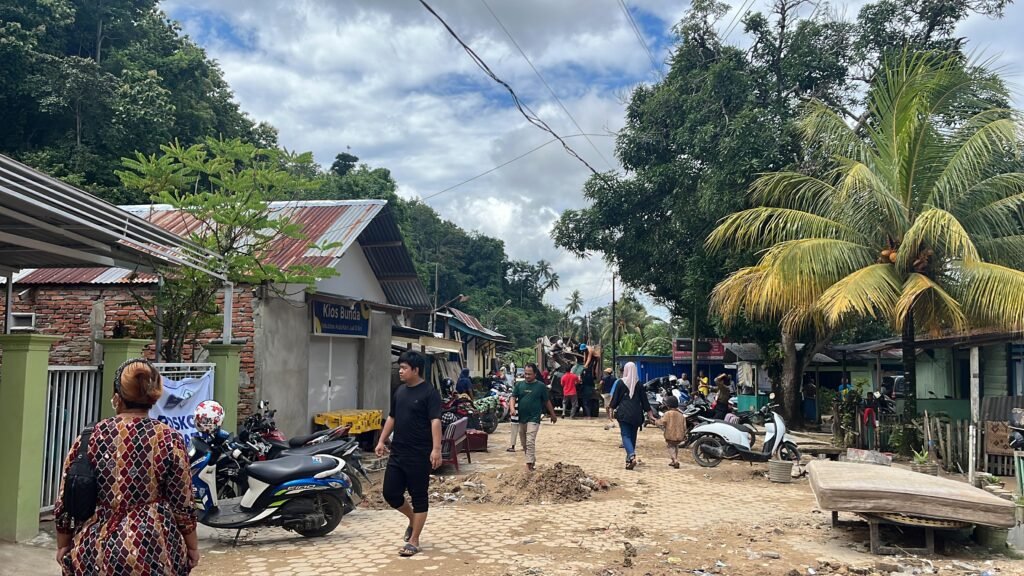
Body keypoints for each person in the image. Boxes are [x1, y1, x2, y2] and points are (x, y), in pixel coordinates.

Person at [54, 358, 198, 575]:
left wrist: (63, 543)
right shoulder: (169, 438)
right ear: (153, 397)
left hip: (94, 552)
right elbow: (183, 503)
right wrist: (192, 546)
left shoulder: (90, 436)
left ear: (117, 396)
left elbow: (65, 500)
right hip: (153, 550)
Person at [376, 350, 443, 557]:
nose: (400, 372)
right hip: (398, 452)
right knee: (390, 493)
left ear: (415, 370)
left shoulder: (429, 393)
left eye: (404, 368)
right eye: (400, 368)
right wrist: (381, 440)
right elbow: (392, 417)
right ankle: (413, 520)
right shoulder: (400, 392)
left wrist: (436, 449)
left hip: (419, 453)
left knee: (419, 495)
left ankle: (414, 540)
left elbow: (435, 421)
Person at [510, 363, 558, 471]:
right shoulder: (519, 385)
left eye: (529, 374)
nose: (527, 376)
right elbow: (513, 397)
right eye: (525, 374)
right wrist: (512, 409)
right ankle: (531, 460)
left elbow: (546, 401)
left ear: (535, 374)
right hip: (522, 418)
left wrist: (553, 414)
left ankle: (529, 464)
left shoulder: (540, 386)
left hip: (534, 418)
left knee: (530, 440)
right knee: (524, 443)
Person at [609, 361, 656, 470]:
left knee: (625, 435)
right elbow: (645, 402)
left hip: (624, 413)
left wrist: (611, 410)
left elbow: (615, 399)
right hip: (636, 414)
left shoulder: (620, 383)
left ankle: (631, 455)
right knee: (633, 436)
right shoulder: (639, 384)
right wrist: (650, 414)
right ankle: (629, 461)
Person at [655, 395, 687, 468]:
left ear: (668, 405)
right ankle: (673, 461)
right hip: (679, 435)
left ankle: (675, 460)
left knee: (670, 446)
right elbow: (684, 426)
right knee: (676, 446)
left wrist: (656, 422)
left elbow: (662, 422)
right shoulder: (681, 415)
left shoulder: (667, 414)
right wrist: (684, 434)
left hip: (670, 435)